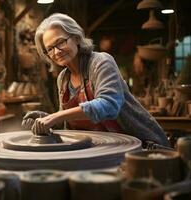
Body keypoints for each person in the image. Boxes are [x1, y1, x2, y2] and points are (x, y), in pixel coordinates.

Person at [22, 13, 169, 147]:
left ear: (76, 38)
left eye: (60, 42)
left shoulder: (101, 62)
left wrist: (55, 117)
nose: (56, 51)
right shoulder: (63, 78)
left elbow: (109, 104)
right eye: (50, 49)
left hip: (141, 145)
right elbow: (67, 121)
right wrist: (46, 119)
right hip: (101, 148)